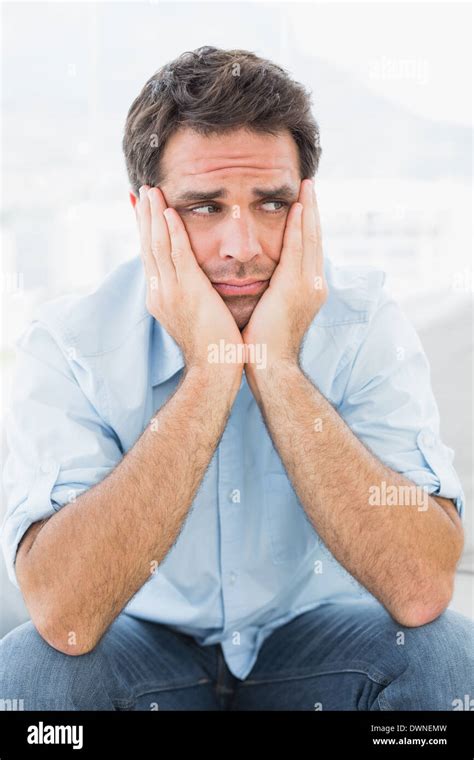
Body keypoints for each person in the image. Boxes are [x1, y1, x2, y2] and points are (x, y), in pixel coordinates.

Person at [0, 46, 471, 711]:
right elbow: (64, 615)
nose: (243, 247)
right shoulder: (71, 345)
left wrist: (277, 367)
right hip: (144, 648)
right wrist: (212, 370)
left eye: (272, 203)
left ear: (306, 205)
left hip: (317, 647)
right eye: (204, 207)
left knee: (446, 658)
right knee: (35, 671)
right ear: (145, 213)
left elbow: (422, 588)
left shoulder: (364, 323)